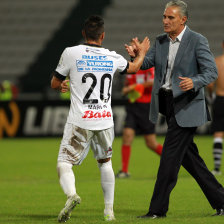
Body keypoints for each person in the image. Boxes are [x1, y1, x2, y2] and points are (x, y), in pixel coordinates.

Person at [125, 0, 224, 219]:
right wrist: (137, 54)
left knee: (169, 159)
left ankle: (157, 210)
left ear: (183, 19)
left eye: (170, 17)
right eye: (164, 16)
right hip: (168, 105)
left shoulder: (197, 40)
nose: (165, 21)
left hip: (187, 106)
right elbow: (146, 63)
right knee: (192, 161)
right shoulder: (160, 41)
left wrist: (195, 81)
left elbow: (211, 72)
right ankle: (221, 201)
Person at [51, 15, 149, 222]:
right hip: (104, 120)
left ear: (83, 34)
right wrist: (141, 54)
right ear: (103, 36)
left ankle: (71, 195)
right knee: (105, 163)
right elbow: (134, 68)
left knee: (64, 162)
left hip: (80, 120)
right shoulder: (111, 56)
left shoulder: (71, 52)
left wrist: (62, 84)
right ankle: (109, 212)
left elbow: (54, 83)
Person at [116, 40, 163, 178]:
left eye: (135, 47)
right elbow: (126, 86)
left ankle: (174, 160)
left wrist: (137, 86)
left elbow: (156, 82)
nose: (133, 49)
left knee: (151, 143)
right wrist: (127, 89)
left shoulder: (149, 64)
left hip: (147, 106)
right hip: (133, 105)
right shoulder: (130, 67)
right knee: (127, 136)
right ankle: (124, 171)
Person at [207, 40, 224, 175]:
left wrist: (211, 96)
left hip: (219, 99)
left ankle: (217, 167)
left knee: (218, 132)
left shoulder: (216, 62)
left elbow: (210, 84)